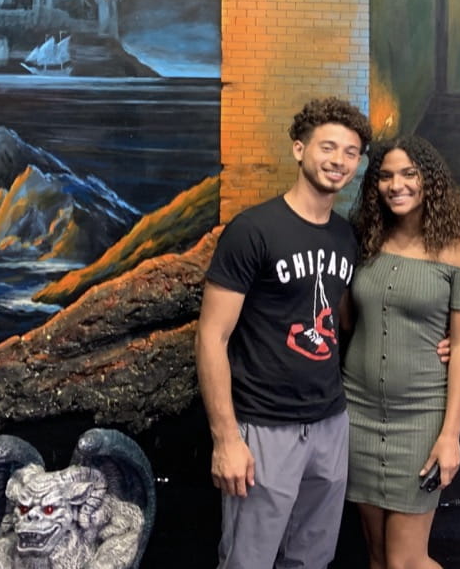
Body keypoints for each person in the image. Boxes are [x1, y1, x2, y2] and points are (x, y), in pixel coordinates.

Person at [195, 97, 372, 569]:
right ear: (299, 149)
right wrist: (226, 440)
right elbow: (211, 337)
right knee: (248, 561)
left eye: (351, 152)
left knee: (313, 559)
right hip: (263, 427)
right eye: (327, 147)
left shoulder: (345, 238)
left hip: (330, 423)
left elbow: (346, 321)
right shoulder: (252, 230)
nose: (339, 161)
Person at [343, 135, 460, 569]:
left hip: (421, 418)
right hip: (357, 415)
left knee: (405, 562)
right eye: (385, 176)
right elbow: (346, 322)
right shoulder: (364, 241)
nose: (396, 185)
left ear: (429, 180)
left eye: (408, 174)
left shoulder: (459, 249)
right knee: (378, 558)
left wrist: (450, 435)